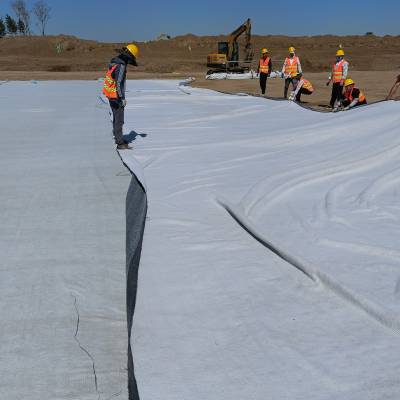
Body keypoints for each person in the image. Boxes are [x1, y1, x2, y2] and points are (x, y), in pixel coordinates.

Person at [103, 44, 139, 150]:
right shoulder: (121, 66)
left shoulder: (114, 62)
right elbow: (118, 83)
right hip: (116, 96)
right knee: (119, 119)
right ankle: (120, 143)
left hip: (110, 94)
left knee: (115, 117)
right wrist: (122, 98)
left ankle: (117, 137)